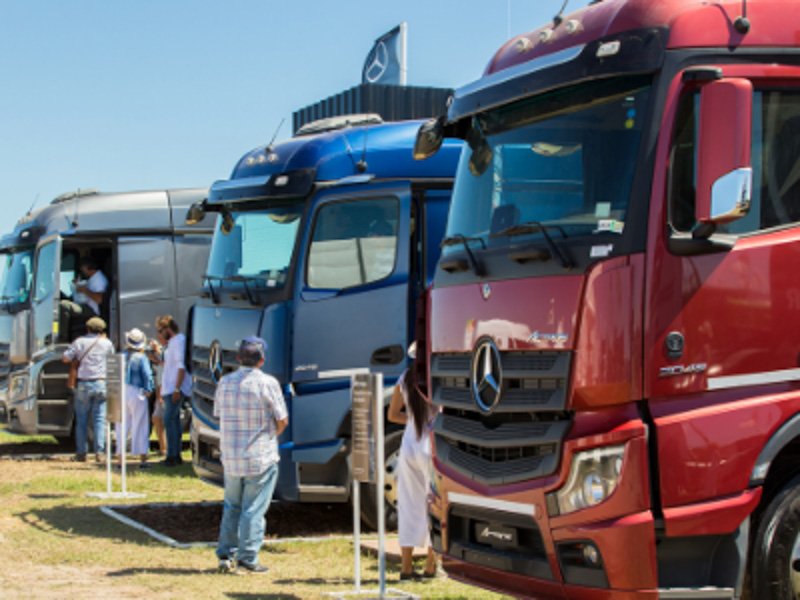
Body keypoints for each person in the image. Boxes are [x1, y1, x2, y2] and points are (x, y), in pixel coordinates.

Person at [215, 337, 288, 575]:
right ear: (262, 359)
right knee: (253, 509)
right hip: (259, 455)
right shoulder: (268, 383)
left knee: (231, 506)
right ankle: (248, 557)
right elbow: (282, 420)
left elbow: (219, 415)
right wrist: (270, 437)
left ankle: (226, 553)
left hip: (231, 455)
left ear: (238, 358)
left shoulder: (224, 382)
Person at [387, 342, 437, 580]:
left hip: (408, 445)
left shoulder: (404, 377)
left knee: (408, 503)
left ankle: (406, 568)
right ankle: (431, 565)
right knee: (435, 504)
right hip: (431, 444)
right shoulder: (436, 376)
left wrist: (412, 420)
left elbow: (393, 414)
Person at [62, 316, 115, 462]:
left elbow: (65, 358)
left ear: (88, 328)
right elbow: (112, 361)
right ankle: (100, 452)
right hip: (101, 383)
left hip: (84, 384)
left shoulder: (80, 342)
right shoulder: (107, 343)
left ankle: (81, 453)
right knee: (99, 420)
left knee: (82, 420)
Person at [154, 315, 192, 466]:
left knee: (169, 419)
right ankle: (175, 454)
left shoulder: (177, 342)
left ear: (167, 330)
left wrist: (177, 388)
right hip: (171, 387)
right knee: (172, 420)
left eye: (160, 330)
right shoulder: (174, 342)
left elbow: (181, 367)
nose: (158, 334)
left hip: (175, 387)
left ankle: (173, 455)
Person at [115, 328, 155, 469]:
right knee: (141, 425)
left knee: (121, 425)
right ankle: (142, 459)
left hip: (121, 391)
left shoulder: (121, 355)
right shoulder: (141, 357)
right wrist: (149, 389)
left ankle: (120, 460)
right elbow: (147, 374)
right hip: (137, 391)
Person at [60, 256, 109, 340]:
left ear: (87, 267)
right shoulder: (93, 278)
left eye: (82, 268)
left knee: (64, 305)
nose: (82, 270)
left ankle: (62, 337)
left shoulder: (99, 279)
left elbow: (99, 299)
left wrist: (85, 290)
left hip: (92, 309)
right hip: (86, 305)